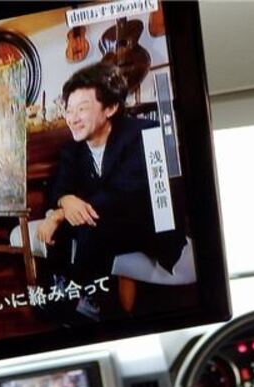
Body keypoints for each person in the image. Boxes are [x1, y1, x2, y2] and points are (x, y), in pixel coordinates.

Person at [36, 62, 186, 319]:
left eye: (82, 108)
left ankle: (83, 298)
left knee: (88, 224)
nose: (72, 118)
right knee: (71, 222)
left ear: (111, 108)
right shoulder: (73, 148)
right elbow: (59, 187)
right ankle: (64, 290)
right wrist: (64, 201)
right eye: (69, 109)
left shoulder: (145, 134)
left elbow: (124, 193)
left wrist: (59, 214)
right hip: (106, 219)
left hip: (148, 224)